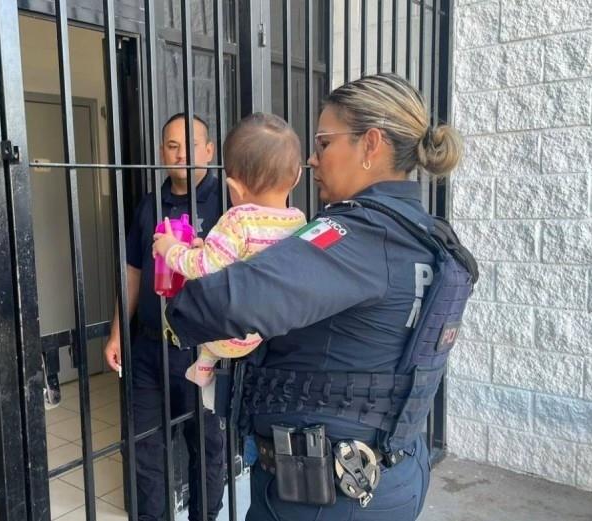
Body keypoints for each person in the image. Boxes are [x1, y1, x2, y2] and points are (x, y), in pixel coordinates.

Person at [164, 73, 476, 521]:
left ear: (371, 145)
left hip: (324, 497)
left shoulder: (355, 236)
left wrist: (179, 313)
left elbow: (224, 303)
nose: (311, 159)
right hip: (391, 473)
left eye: (324, 143)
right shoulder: (425, 233)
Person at [102, 113, 226, 521]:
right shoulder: (149, 206)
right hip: (150, 350)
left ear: (209, 150)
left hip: (204, 352)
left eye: (190, 145)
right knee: (144, 448)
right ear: (162, 152)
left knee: (206, 448)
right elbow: (134, 272)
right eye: (172, 146)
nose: (181, 154)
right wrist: (118, 332)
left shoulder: (226, 204)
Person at [152, 113, 306, 408]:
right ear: (297, 176)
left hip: (226, 334)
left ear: (234, 188)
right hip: (268, 327)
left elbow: (203, 267)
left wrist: (170, 248)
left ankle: (204, 370)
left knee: (189, 320)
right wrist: (206, 247)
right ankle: (205, 373)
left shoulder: (238, 219)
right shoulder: (298, 220)